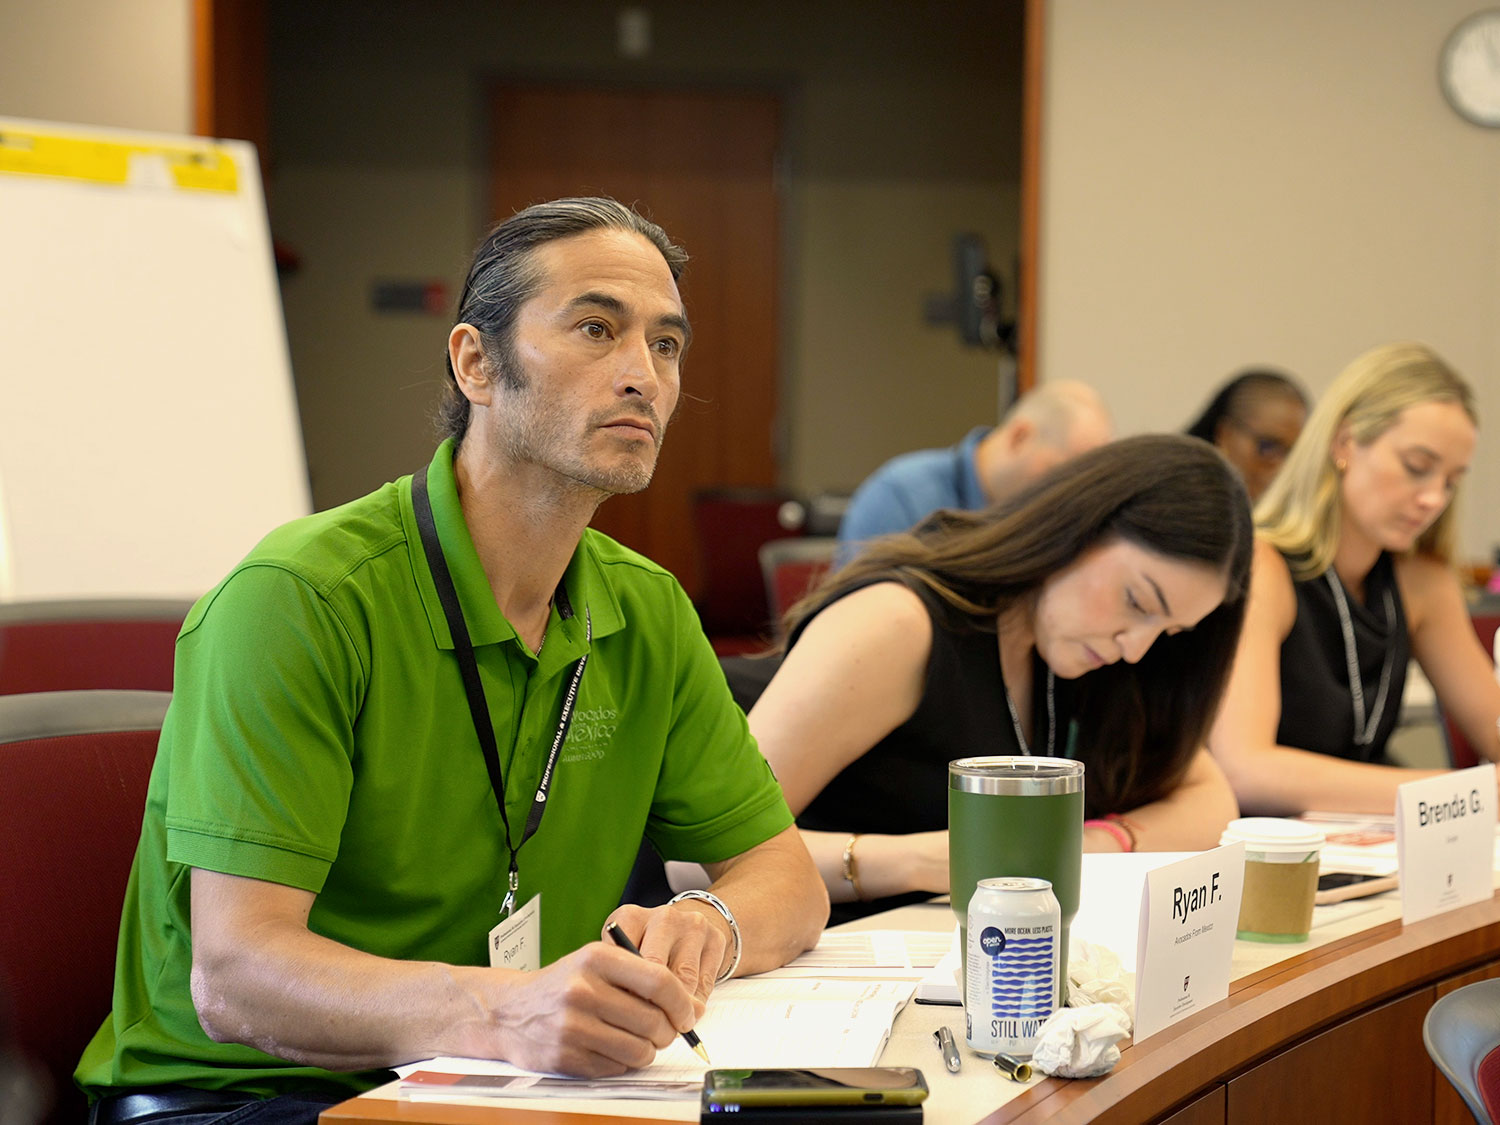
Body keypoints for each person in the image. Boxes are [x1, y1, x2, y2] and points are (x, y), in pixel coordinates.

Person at [75, 198, 827, 1122]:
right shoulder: (300, 599)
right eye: (597, 328)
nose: (643, 374)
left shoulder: (646, 607)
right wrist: (508, 1009)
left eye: (666, 345)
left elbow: (785, 879)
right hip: (246, 1099)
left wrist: (710, 923)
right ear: (475, 361)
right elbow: (238, 977)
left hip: (483, 1080)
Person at [737, 434, 1251, 921]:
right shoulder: (899, 623)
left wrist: (1096, 843)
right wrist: (922, 862)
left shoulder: (1086, 657)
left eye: (1170, 631)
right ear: (1078, 527)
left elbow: (1211, 799)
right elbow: (702, 856)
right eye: (1136, 601)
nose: (1136, 648)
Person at [1209, 342, 1500, 815]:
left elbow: (1494, 726)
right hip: (1259, 854)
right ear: (1344, 443)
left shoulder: (1422, 581)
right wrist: (1462, 793)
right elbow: (1246, 769)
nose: (1433, 499)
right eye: (1417, 467)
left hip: (1364, 850)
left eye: (1451, 480)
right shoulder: (1265, 567)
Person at [834, 380, 1113, 566]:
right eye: (1060, 473)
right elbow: (852, 622)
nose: (1064, 492)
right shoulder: (901, 496)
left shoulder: (1047, 519)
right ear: (1019, 436)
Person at [1185, 369, 1310, 501]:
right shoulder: (1181, 504)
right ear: (1224, 435)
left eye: (1295, 454)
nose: (1282, 468)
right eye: (1268, 446)